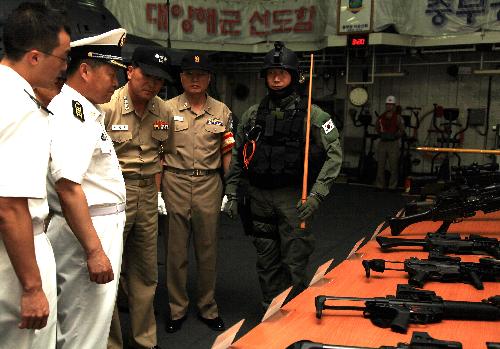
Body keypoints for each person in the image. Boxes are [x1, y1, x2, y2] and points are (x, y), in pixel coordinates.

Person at [223, 42, 342, 309]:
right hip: (258, 197)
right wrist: (231, 193)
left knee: (294, 258)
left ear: (294, 76)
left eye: (283, 72)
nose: (276, 78)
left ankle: (295, 312)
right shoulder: (253, 114)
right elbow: (240, 154)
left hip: (293, 199)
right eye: (271, 73)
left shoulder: (314, 114)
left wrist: (317, 195)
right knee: (266, 259)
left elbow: (335, 154)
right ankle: (271, 308)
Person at [45, 28, 127, 349]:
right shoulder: (73, 112)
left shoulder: (85, 111)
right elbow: (68, 186)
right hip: (89, 228)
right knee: (84, 328)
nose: (117, 82)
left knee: (92, 320)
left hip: (95, 223)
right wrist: (94, 250)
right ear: (85, 70)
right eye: (111, 73)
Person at [0, 3, 70, 349]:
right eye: (63, 58)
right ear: (34, 57)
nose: (65, 68)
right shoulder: (20, 107)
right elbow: (10, 205)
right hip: (16, 259)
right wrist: (31, 288)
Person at [102, 45, 174, 349]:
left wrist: (157, 193)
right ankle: (110, 343)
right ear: (130, 71)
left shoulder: (164, 111)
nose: (153, 84)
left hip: (147, 193)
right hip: (113, 192)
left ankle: (145, 339)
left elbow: (163, 153)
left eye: (159, 80)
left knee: (145, 270)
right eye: (147, 75)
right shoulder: (107, 106)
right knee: (109, 271)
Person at [162, 52, 234, 333]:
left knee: (208, 251)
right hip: (174, 183)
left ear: (209, 78)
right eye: (190, 75)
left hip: (208, 184)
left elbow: (227, 152)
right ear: (181, 78)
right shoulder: (164, 109)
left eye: (201, 74)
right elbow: (158, 152)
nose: (195, 79)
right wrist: (158, 192)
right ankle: (176, 309)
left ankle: (207, 307)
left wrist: (231, 189)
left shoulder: (222, 111)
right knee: (175, 253)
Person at [375, 95, 404, 191]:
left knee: (393, 166)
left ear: (394, 106)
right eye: (387, 104)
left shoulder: (398, 118)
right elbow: (377, 128)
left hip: (393, 143)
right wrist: (382, 135)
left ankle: (392, 186)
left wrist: (395, 136)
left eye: (391, 105)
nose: (389, 106)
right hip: (383, 142)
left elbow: (402, 130)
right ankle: (380, 185)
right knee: (380, 165)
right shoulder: (381, 117)